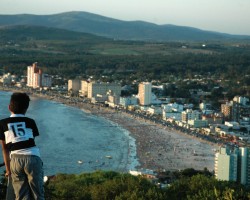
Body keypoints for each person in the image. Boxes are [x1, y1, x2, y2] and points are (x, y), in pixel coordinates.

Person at [0, 92, 44, 200]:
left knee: (21, 195)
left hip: (15, 160)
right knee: (38, 194)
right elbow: (30, 142)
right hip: (33, 157)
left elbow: (5, 148)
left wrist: (8, 169)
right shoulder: (30, 122)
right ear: (26, 108)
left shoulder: (2, 123)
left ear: (9, 107)